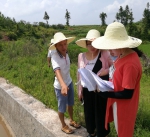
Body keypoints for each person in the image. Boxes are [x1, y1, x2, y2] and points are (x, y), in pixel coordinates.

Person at [92, 22, 143, 137]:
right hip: (117, 103)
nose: (109, 51)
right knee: (120, 131)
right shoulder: (122, 55)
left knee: (124, 133)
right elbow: (116, 77)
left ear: (121, 44)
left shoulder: (130, 63)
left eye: (111, 47)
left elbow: (127, 93)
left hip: (124, 108)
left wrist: (106, 94)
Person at [76, 29, 112, 137]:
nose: (91, 46)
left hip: (100, 91)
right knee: (89, 113)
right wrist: (79, 91)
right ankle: (91, 132)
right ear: (86, 45)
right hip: (87, 90)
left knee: (101, 114)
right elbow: (79, 74)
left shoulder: (105, 54)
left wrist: (105, 71)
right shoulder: (81, 56)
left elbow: (115, 68)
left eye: (93, 43)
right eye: (89, 44)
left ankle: (101, 134)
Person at [49, 32, 81, 134]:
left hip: (69, 82)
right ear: (56, 46)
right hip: (60, 86)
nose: (63, 47)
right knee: (61, 107)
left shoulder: (66, 53)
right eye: (60, 45)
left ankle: (71, 120)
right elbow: (57, 71)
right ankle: (63, 125)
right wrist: (63, 85)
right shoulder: (54, 56)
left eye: (65, 44)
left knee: (70, 103)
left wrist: (67, 83)